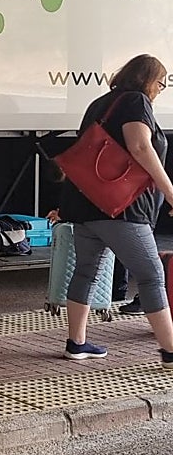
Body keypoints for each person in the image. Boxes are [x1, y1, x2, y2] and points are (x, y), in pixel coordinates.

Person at [59, 54, 173, 367]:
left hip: (85, 204)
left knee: (86, 271)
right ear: (147, 79)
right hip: (120, 209)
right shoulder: (136, 101)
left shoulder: (101, 102)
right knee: (151, 276)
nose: (160, 90)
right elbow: (139, 146)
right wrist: (171, 192)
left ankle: (77, 343)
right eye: (161, 83)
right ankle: (170, 351)